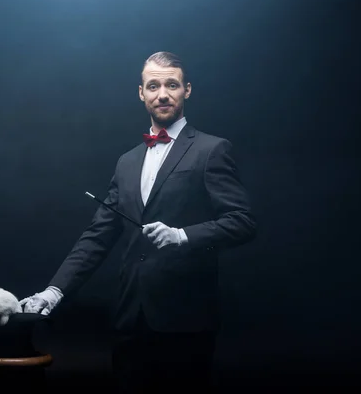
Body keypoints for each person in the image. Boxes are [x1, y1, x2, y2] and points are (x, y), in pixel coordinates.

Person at [19, 51, 257, 392]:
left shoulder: (211, 150)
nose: (163, 93)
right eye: (153, 85)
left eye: (171, 85)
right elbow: (97, 236)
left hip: (186, 321)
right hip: (130, 320)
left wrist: (182, 236)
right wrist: (54, 292)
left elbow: (243, 221)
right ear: (141, 93)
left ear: (186, 90)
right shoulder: (126, 162)